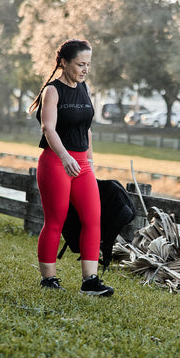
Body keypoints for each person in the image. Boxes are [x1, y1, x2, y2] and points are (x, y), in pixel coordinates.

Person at [29, 39, 114, 296]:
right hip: (56, 161)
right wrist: (66, 157)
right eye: (80, 64)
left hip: (81, 164)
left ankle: (90, 281)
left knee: (93, 219)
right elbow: (48, 128)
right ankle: (49, 279)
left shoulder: (84, 88)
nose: (85, 69)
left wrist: (89, 161)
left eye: (88, 64)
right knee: (55, 220)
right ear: (64, 63)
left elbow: (86, 129)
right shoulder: (52, 91)